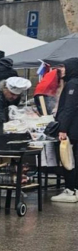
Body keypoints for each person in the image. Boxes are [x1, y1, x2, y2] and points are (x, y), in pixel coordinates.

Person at [53, 59, 78, 203]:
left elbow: (69, 107)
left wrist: (63, 128)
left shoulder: (73, 84)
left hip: (72, 129)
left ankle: (70, 189)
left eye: (64, 67)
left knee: (68, 158)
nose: (61, 70)